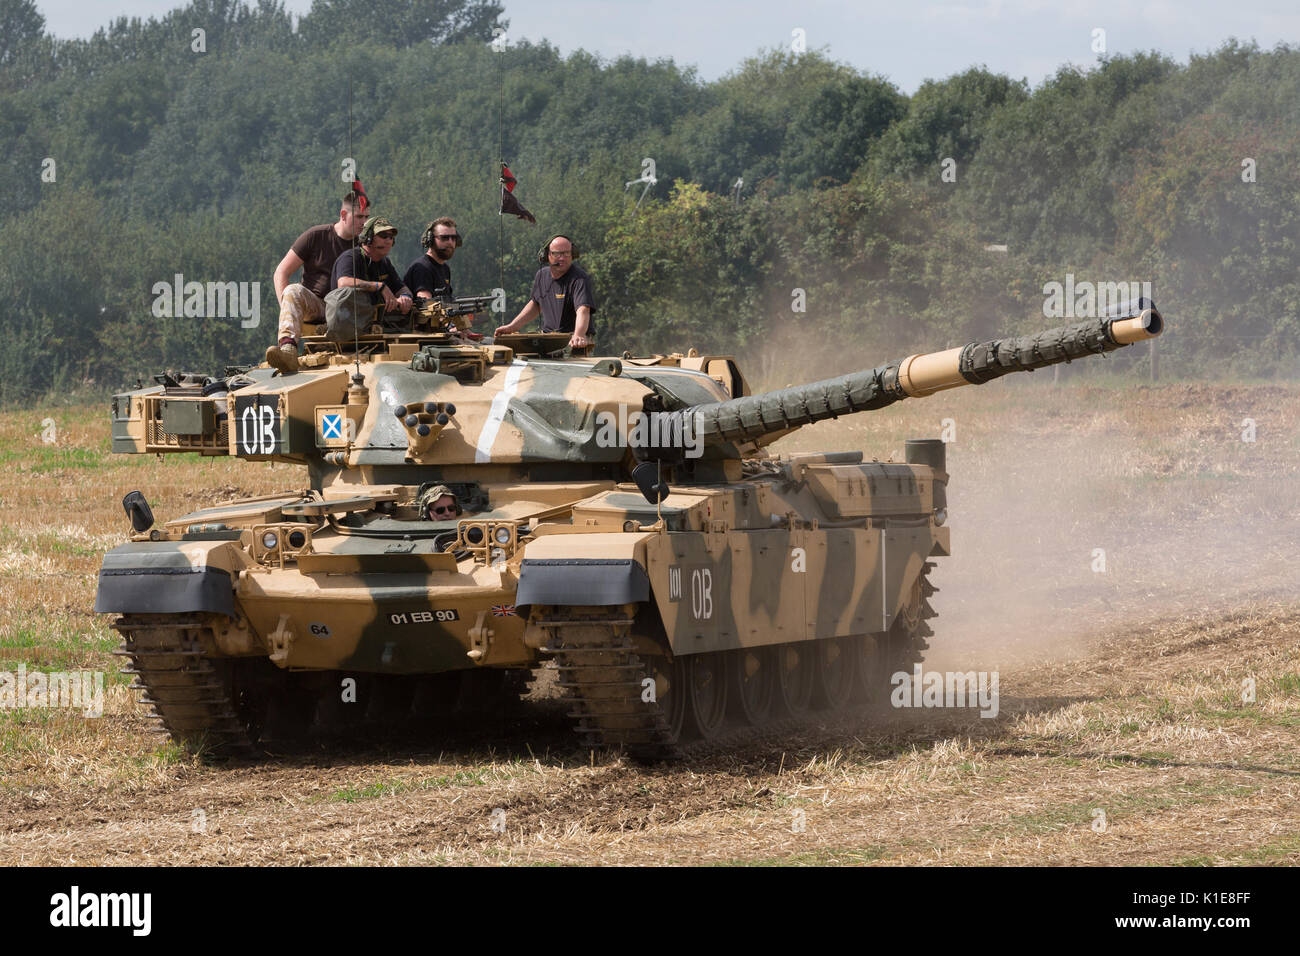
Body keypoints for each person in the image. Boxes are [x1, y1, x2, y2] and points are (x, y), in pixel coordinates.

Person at [268, 190, 366, 375]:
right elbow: (281, 272)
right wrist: (288, 312)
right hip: (318, 306)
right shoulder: (316, 236)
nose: (363, 222)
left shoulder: (364, 245)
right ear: (343, 215)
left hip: (349, 310)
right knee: (293, 291)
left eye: (366, 217)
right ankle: (288, 349)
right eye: (359, 216)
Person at [495, 234, 596, 348]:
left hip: (574, 341)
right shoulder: (542, 275)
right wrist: (512, 327)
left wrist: (579, 334)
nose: (562, 258)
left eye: (566, 253)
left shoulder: (579, 278)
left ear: (572, 254)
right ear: (546, 255)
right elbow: (536, 305)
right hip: (549, 339)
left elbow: (583, 309)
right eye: (557, 253)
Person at [330, 216, 414, 316]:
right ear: (368, 237)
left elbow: (401, 288)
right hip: (349, 321)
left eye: (391, 237)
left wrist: (405, 297)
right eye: (383, 235)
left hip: (378, 323)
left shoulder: (385, 263)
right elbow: (343, 283)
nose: (388, 241)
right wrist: (379, 286)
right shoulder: (350, 257)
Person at [404, 218, 460, 302]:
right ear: (430, 240)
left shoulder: (445, 268)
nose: (450, 242)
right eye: (444, 238)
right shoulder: (422, 268)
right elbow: (427, 306)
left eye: (454, 238)